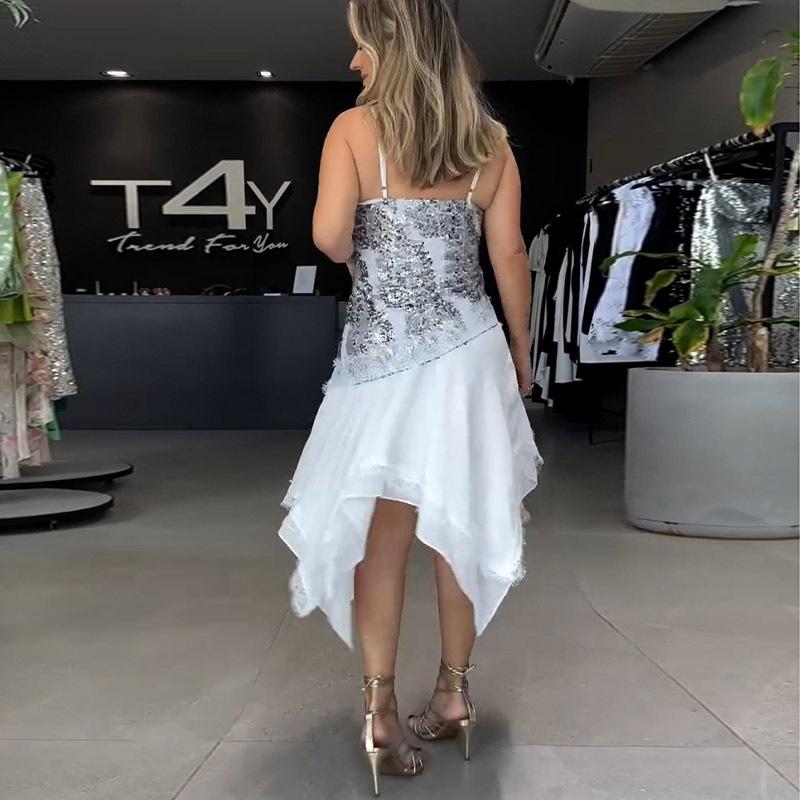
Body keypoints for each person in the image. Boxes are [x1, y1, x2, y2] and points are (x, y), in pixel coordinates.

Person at [278, 0, 543, 793]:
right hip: (470, 356)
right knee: (459, 522)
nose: (353, 61)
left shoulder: (353, 130)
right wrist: (522, 351)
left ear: (389, 49)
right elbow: (509, 255)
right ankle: (455, 694)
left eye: (360, 46)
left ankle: (379, 711)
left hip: (384, 360)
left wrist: (374, 243)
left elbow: (330, 237)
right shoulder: (490, 142)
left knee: (379, 535)